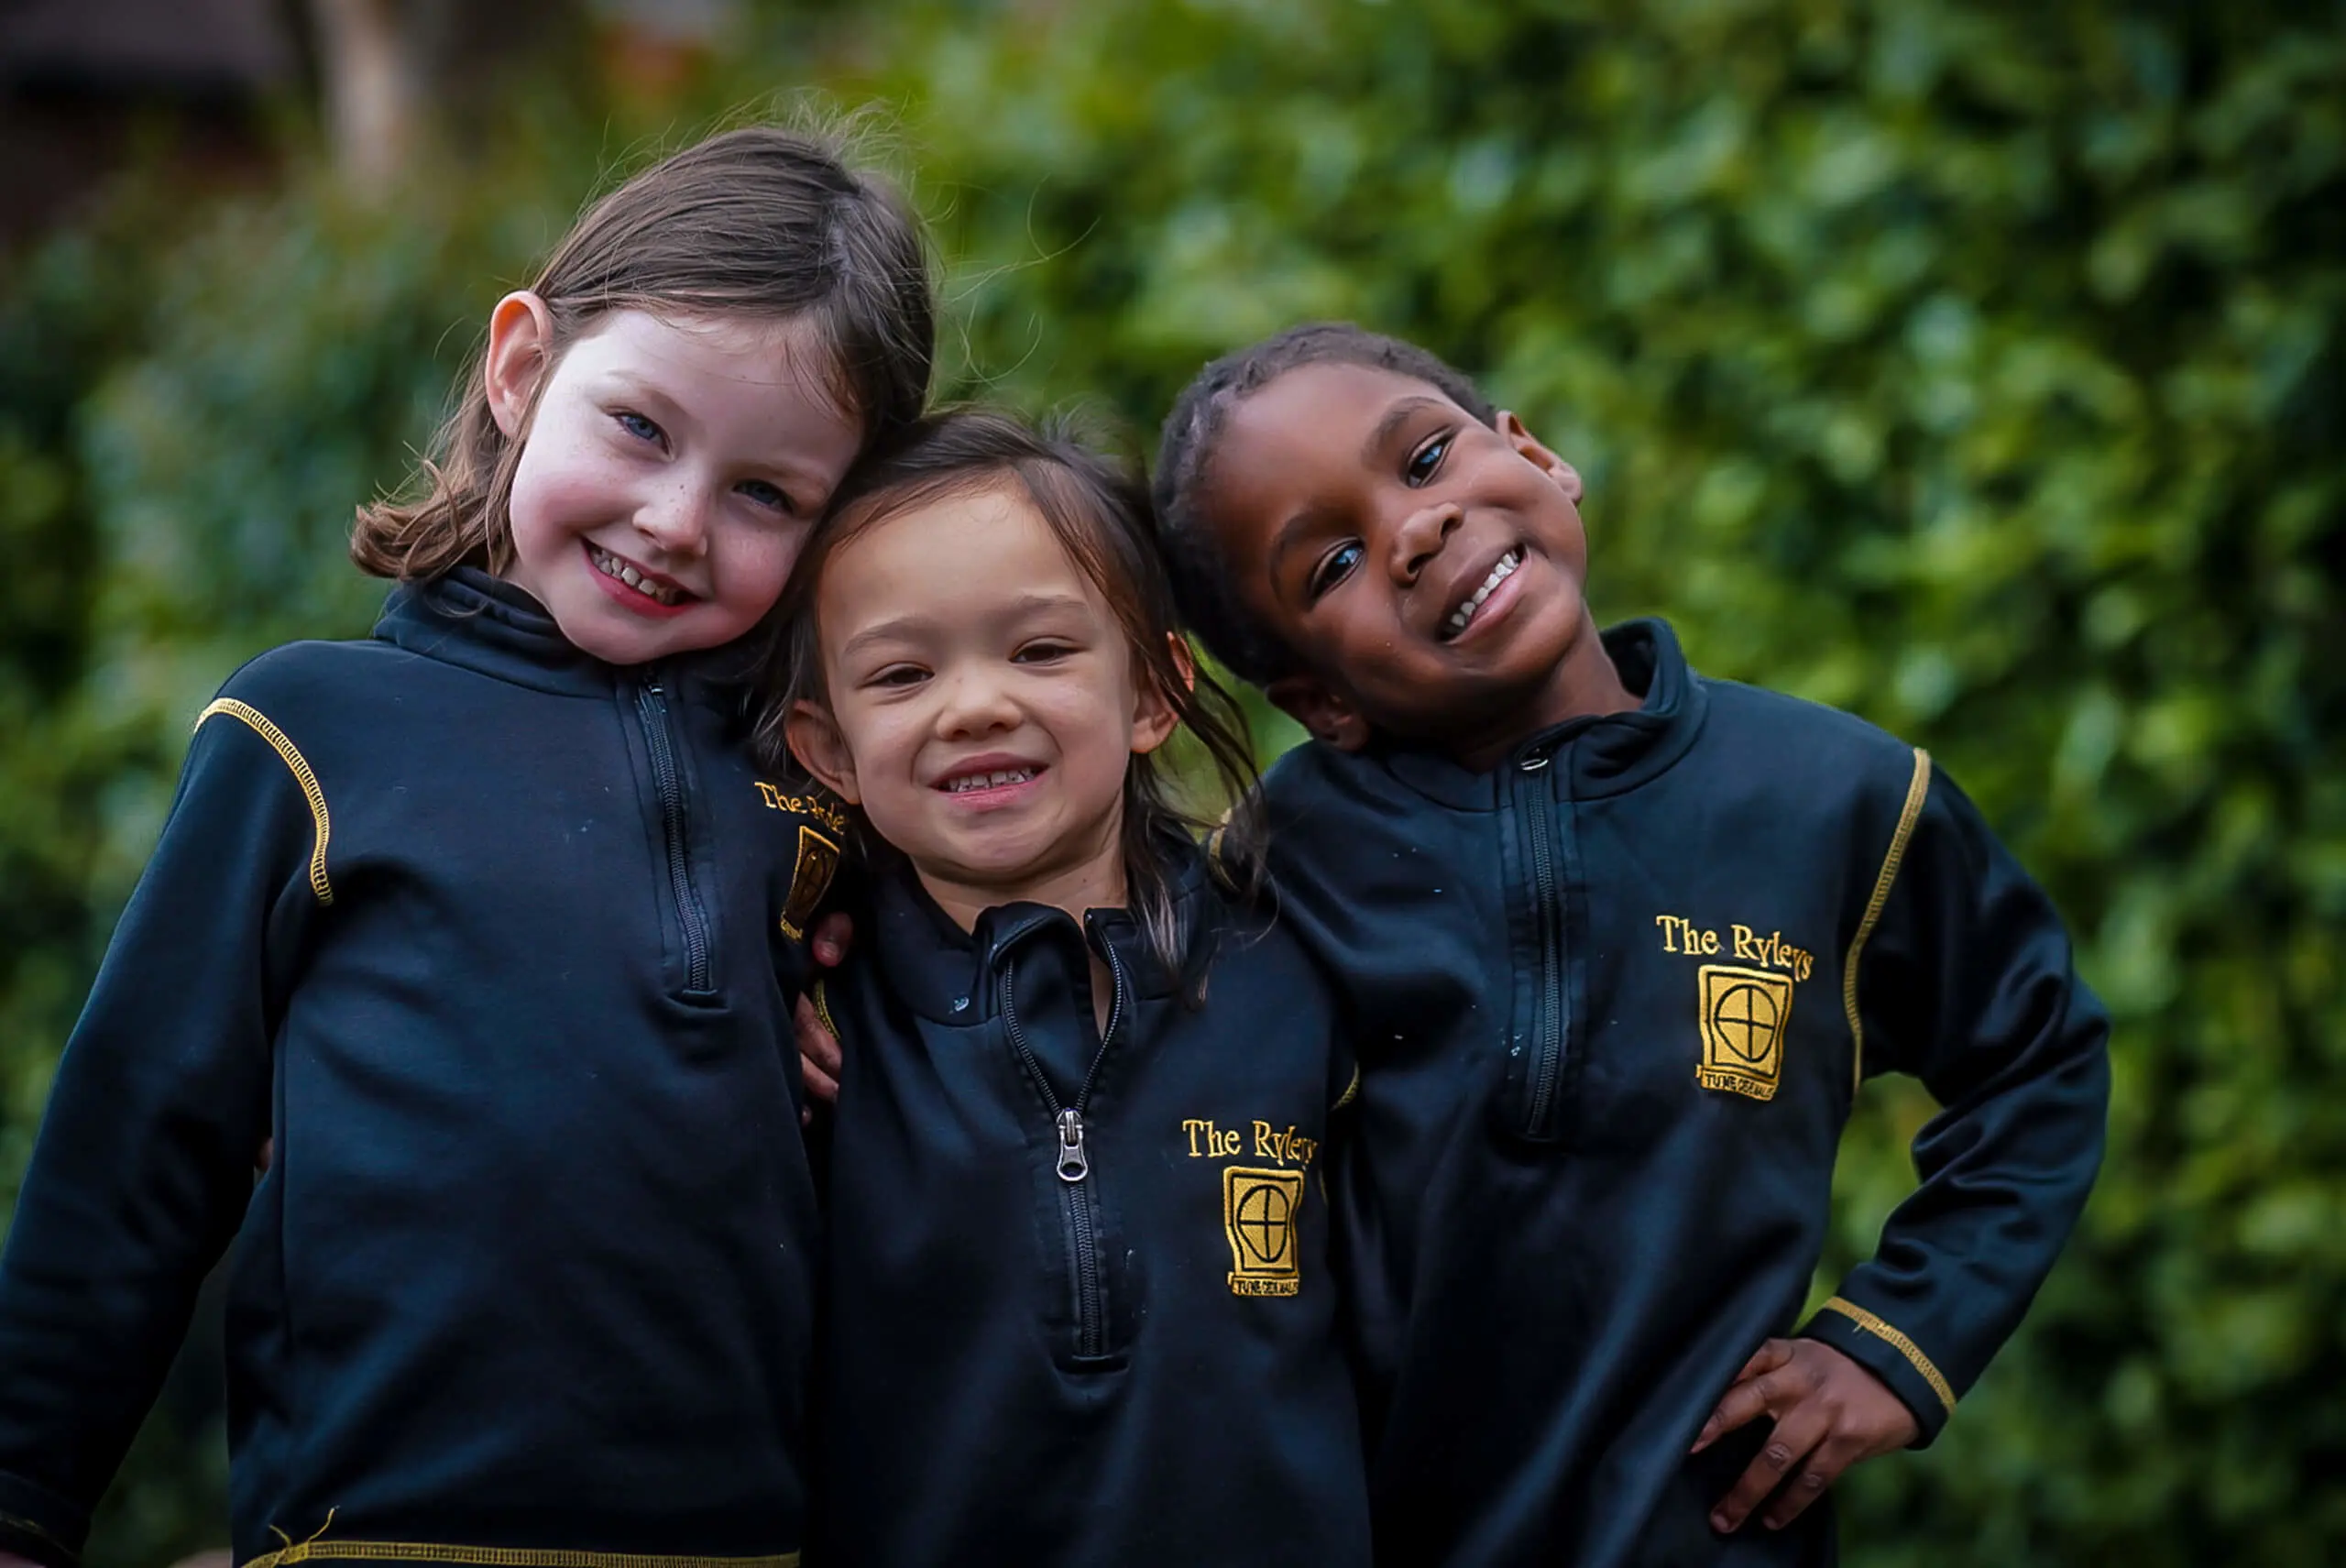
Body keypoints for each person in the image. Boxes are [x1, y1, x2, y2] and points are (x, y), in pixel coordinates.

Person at [0, 125, 933, 1568]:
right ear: (521, 368)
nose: (676, 520)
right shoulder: (311, 732)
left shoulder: (825, 791)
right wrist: (23, 1500)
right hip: (373, 1534)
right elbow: (136, 1144)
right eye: (639, 425)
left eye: (768, 494)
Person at [1146, 323, 2112, 1566]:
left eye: (1429, 456)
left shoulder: (1837, 799)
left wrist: (1897, 1339)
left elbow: (2038, 1056)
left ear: (1537, 455)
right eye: (1332, 560)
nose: (1415, 529)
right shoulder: (1279, 865)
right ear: (1318, 700)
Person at [772, 410, 1370, 1567]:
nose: (975, 703)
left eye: (1040, 650)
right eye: (901, 672)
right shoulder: (810, 1031)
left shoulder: (1304, 966)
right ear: (828, 747)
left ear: (1152, 690)